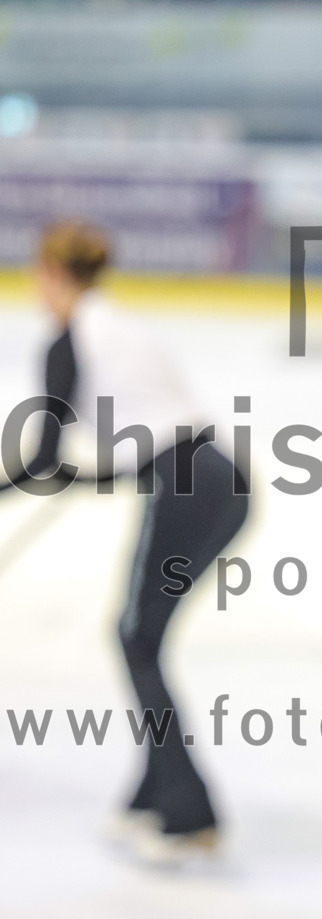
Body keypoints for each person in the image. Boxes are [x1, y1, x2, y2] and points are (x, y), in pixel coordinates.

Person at [0, 219, 249, 865]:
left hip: (188, 486)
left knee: (136, 639)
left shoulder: (67, 337)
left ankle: (188, 814)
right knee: (142, 636)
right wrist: (85, 476)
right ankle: (151, 793)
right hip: (222, 478)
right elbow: (161, 437)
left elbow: (43, 461)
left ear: (53, 274)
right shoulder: (123, 323)